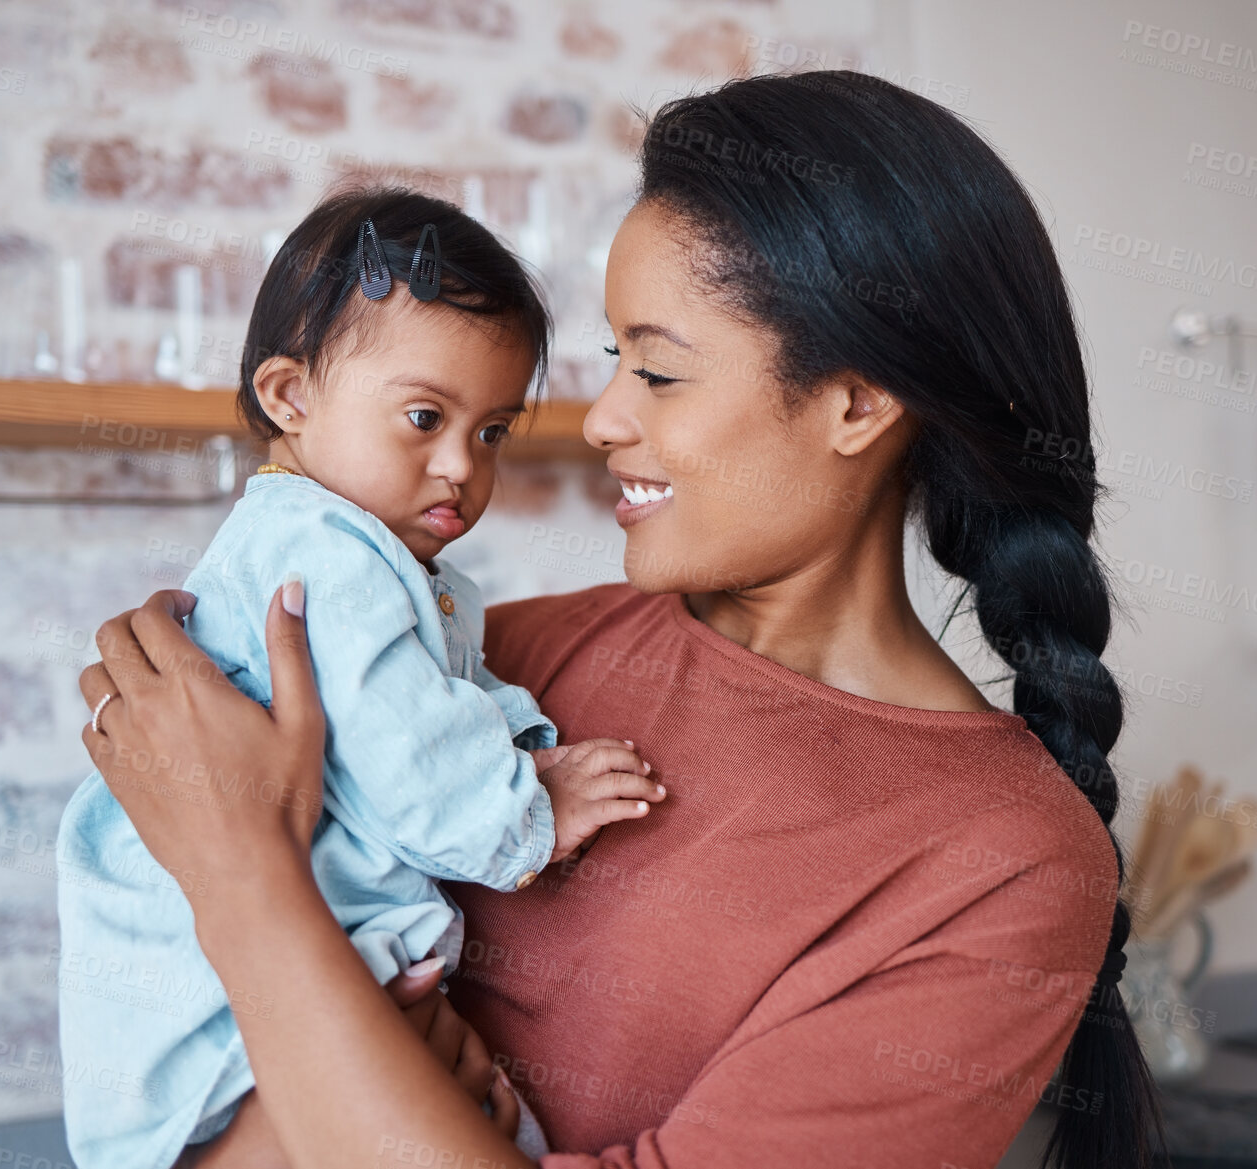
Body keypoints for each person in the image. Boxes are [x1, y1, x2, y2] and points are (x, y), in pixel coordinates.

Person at [78, 70, 1163, 1169]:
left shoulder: (1006, 863)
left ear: (857, 401)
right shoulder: (515, 655)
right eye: (613, 361)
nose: (601, 419)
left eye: (658, 370)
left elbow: (244, 885)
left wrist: (240, 871)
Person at [54, 187, 665, 1169]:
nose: (462, 465)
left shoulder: (378, 556)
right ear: (292, 397)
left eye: (493, 431)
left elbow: (444, 690)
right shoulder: (325, 550)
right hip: (212, 973)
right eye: (425, 417)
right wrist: (530, 806)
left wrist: (516, 738)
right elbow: (407, 747)